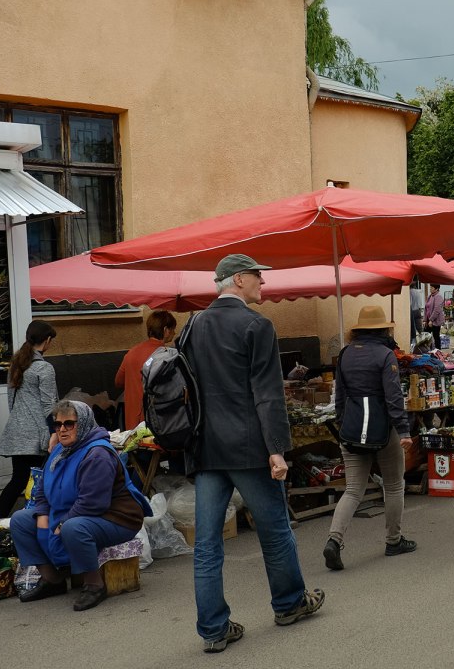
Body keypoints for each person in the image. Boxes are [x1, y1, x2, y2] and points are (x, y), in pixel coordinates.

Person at [181, 254, 324, 654]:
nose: (264, 281)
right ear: (239, 280)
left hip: (207, 449)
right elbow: (268, 393)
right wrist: (277, 450)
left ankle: (213, 629)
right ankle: (290, 603)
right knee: (275, 531)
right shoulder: (256, 325)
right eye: (259, 275)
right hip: (249, 448)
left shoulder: (192, 326)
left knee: (207, 545)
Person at [9, 399, 149, 610]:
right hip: (73, 512)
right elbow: (42, 490)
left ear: (83, 423)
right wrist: (42, 518)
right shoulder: (60, 450)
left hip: (115, 518)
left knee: (74, 527)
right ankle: (52, 580)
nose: (62, 430)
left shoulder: (97, 454)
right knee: (20, 521)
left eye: (69, 424)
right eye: (58, 425)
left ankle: (94, 584)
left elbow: (92, 503)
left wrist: (61, 523)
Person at [323, 307, 415, 572]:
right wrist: (405, 431)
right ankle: (393, 540)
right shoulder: (386, 355)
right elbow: (393, 397)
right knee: (394, 485)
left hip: (351, 430)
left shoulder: (345, 354)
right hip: (383, 430)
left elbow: (339, 395)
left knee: (353, 489)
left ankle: (334, 539)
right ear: (383, 330)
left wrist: (344, 421)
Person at [0, 320, 58, 521]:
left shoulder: (16, 364)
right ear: (46, 341)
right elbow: (49, 406)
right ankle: (40, 523)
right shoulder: (44, 369)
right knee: (45, 481)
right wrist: (55, 431)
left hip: (17, 432)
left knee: (18, 481)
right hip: (38, 435)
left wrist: (18, 421)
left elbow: (10, 400)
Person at [114, 310, 177, 431]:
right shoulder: (167, 356)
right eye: (173, 329)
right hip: (157, 421)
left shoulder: (132, 352)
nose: (174, 333)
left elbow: (118, 382)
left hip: (132, 422)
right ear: (165, 330)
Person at [409, 281, 424, 347]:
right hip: (418, 311)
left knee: (412, 330)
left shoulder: (410, 292)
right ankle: (420, 344)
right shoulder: (418, 292)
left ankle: (413, 345)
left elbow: (410, 303)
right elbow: (420, 302)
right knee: (419, 329)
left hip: (412, 311)